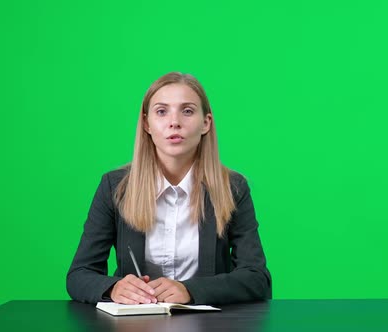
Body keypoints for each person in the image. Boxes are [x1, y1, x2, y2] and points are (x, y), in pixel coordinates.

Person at [67, 72, 271, 305]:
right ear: (146, 124)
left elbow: (257, 278)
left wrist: (190, 291)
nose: (174, 122)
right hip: (135, 325)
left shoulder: (232, 188)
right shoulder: (115, 187)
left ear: (206, 123)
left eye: (187, 111)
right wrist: (113, 288)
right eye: (162, 111)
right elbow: (79, 275)